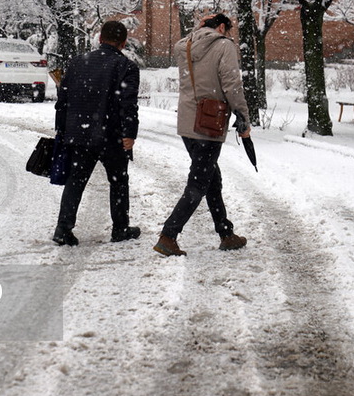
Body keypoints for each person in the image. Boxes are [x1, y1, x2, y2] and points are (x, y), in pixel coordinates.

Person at [154, 13, 251, 257]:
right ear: (220, 27)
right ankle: (169, 234)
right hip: (209, 122)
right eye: (227, 30)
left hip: (188, 123)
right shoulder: (223, 45)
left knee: (211, 177)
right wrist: (243, 116)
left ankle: (226, 233)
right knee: (199, 181)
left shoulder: (185, 46)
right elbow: (231, 83)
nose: (228, 35)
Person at [52, 20, 141, 246]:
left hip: (80, 134)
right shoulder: (126, 67)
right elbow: (127, 104)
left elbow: (62, 101)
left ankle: (63, 229)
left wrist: (61, 130)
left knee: (76, 181)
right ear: (123, 43)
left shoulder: (77, 63)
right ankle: (120, 228)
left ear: (100, 39)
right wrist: (129, 134)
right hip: (111, 135)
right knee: (118, 181)